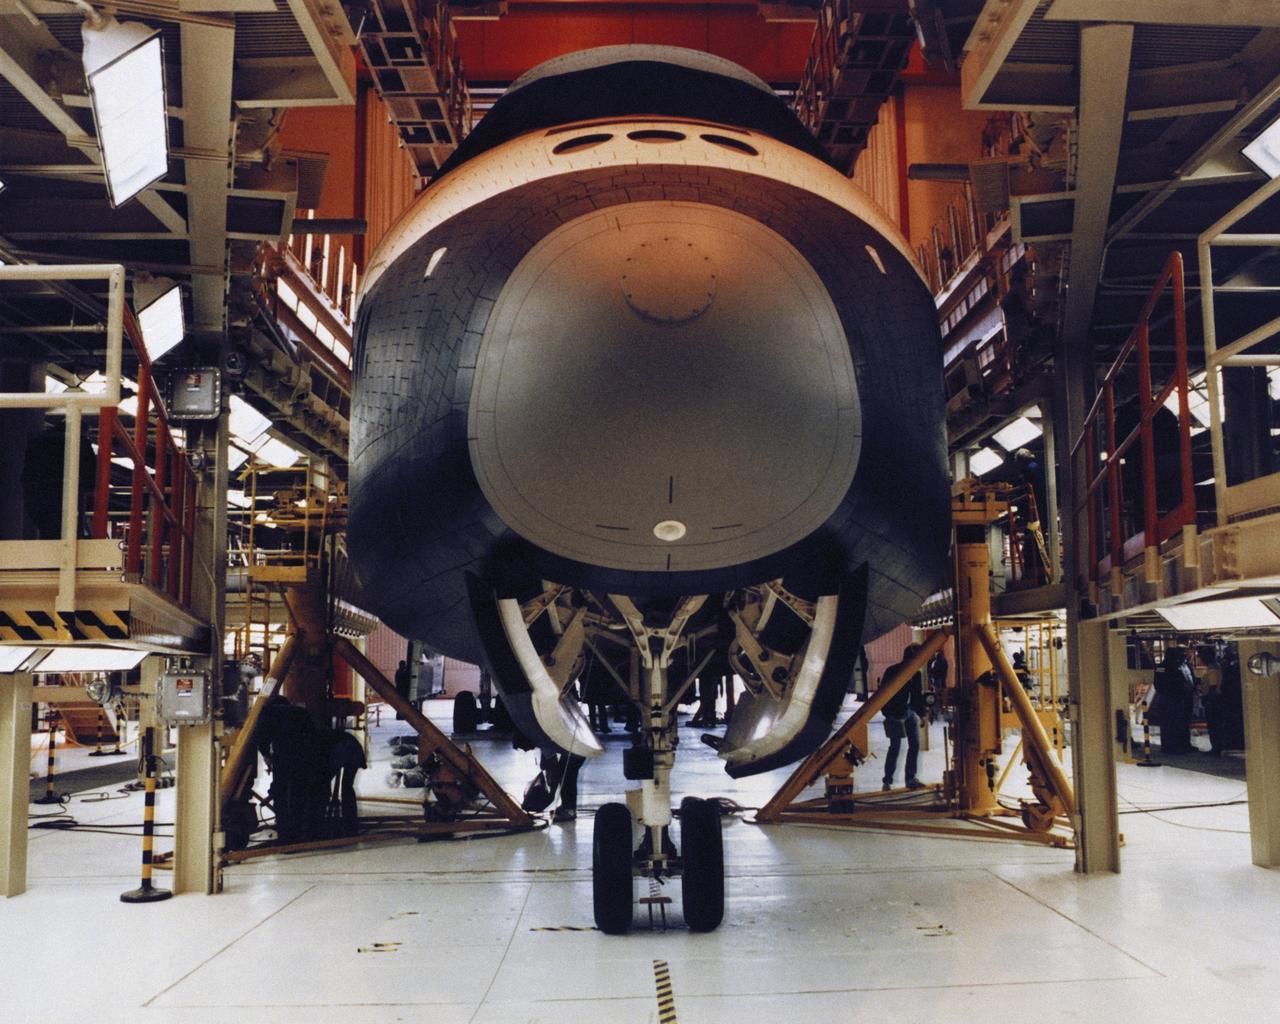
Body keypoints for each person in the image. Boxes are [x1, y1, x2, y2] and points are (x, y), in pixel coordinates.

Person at [881, 644, 927, 791]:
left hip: (909, 713)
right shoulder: (892, 671)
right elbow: (883, 694)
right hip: (895, 714)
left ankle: (910, 778)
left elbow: (917, 696)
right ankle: (887, 780)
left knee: (914, 745)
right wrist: (888, 714)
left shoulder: (916, 674)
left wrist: (922, 714)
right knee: (895, 747)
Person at [1153, 645, 1195, 754]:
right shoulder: (1161, 667)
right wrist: (1171, 692)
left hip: (1179, 698)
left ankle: (1181, 745)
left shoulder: (1179, 666)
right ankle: (1169, 747)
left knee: (1180, 722)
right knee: (1169, 724)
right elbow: (1159, 683)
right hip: (1168, 699)